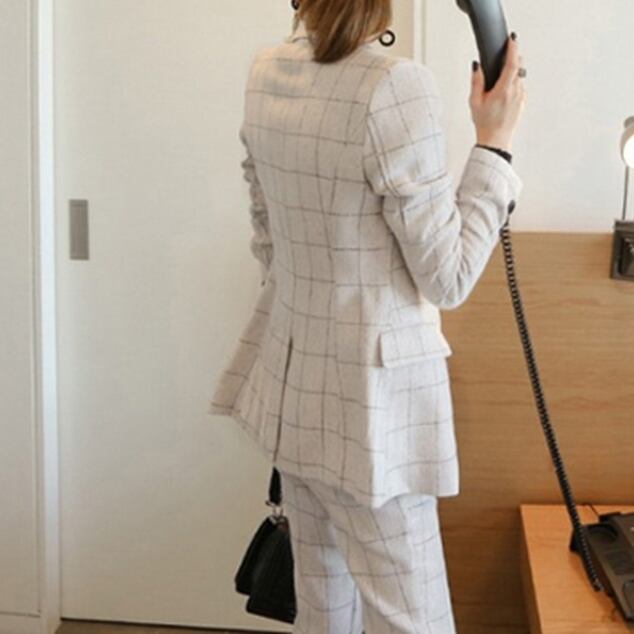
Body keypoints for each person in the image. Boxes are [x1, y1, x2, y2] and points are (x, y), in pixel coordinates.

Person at [209, 0, 526, 631]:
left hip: (296, 397)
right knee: (413, 618)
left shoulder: (266, 72)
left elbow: (268, 243)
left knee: (326, 611)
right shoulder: (393, 86)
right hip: (375, 417)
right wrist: (495, 143)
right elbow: (449, 277)